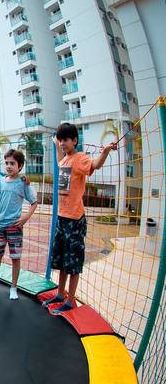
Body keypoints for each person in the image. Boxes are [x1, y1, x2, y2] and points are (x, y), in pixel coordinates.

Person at [43, 123, 117, 312]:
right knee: (60, 260)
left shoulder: (79, 159)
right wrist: (55, 142)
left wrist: (106, 151)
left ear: (75, 140)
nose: (62, 143)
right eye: (60, 140)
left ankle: (70, 300)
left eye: (65, 140)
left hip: (75, 220)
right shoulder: (65, 160)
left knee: (73, 261)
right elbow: (60, 161)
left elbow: (95, 165)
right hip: (61, 218)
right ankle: (60, 294)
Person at [0, 149, 38, 300]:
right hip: (1, 225)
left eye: (12, 163)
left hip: (15, 226)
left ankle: (13, 287)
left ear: (20, 166)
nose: (9, 166)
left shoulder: (23, 183)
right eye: (7, 163)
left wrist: (25, 218)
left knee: (15, 257)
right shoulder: (1, 181)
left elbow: (34, 202)